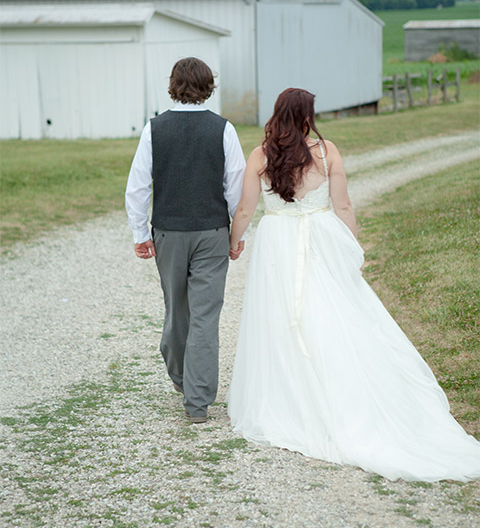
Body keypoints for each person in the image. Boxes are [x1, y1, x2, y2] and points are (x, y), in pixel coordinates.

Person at [227, 87, 480, 482]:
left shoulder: (261, 155)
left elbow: (245, 208)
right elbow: (343, 205)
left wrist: (234, 240)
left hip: (278, 239)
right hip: (322, 236)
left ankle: (291, 395)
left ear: (277, 113)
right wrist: (352, 246)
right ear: (308, 115)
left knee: (282, 315)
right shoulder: (326, 151)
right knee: (332, 308)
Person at [125, 57, 246, 424]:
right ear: (209, 85)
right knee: (205, 316)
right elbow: (236, 188)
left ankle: (185, 382)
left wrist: (140, 233)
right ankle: (197, 398)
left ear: (173, 84)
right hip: (211, 233)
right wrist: (236, 236)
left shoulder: (154, 129)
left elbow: (138, 187)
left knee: (178, 310)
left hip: (169, 234)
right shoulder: (223, 129)